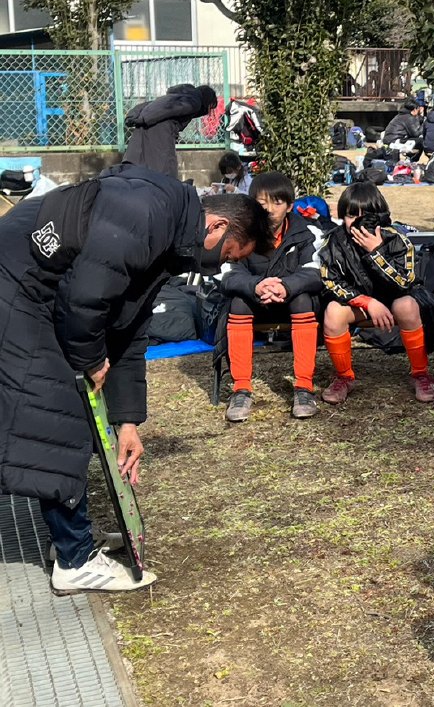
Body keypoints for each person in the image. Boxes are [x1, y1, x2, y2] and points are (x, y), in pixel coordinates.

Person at [0, 163, 267, 593]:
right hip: (14, 283)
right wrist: (90, 359)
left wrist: (127, 422)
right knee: (58, 412)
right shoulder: (146, 215)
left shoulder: (169, 234)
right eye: (230, 254)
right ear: (216, 226)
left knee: (68, 411)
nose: (222, 265)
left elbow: (129, 328)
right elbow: (84, 299)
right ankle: (74, 559)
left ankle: (70, 537)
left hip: (38, 289)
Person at [318, 183, 434, 407]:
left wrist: (376, 252)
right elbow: (330, 281)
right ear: (342, 216)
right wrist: (367, 302)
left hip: (396, 300)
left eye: (366, 215)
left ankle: (420, 373)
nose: (358, 222)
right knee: (333, 312)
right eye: (351, 215)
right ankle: (344, 377)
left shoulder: (396, 238)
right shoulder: (334, 241)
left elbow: (405, 282)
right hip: (359, 303)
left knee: (406, 305)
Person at [219, 172, 326, 422]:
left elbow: (316, 272)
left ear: (289, 206)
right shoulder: (238, 233)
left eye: (277, 202)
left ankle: (304, 388)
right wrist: (256, 286)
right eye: (261, 202)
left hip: (291, 299)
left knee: (303, 299)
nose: (268, 209)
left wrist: (286, 287)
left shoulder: (308, 231)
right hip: (254, 300)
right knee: (238, 302)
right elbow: (227, 273)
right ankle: (241, 389)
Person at [123, 83, 217, 178]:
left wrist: (138, 117)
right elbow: (168, 108)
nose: (208, 112)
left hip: (147, 128)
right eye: (210, 107)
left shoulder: (178, 96)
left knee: (142, 169)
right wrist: (144, 118)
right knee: (165, 172)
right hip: (160, 132)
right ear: (207, 100)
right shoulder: (193, 101)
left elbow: (157, 105)